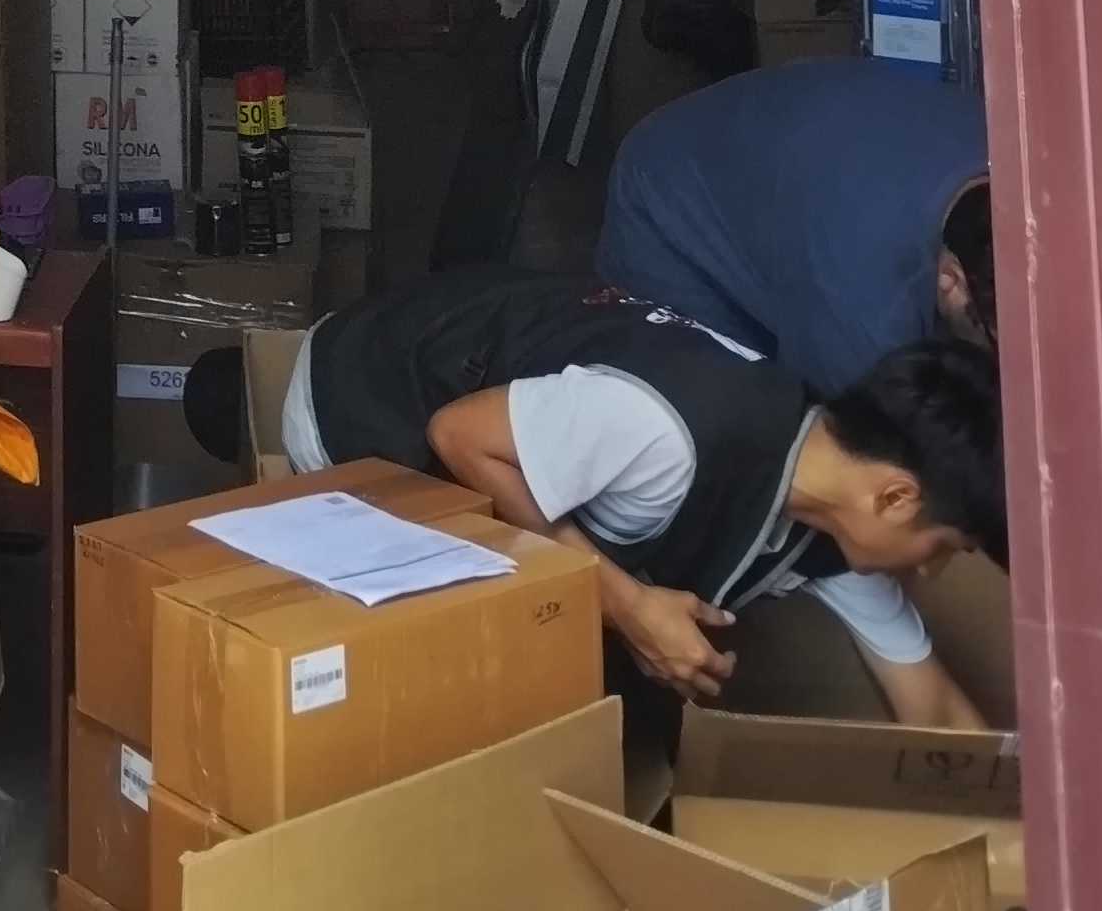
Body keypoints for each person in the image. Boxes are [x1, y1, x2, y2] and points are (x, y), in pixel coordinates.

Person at [183, 267, 1002, 728]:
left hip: (503, 375)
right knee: (449, 697)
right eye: (946, 547)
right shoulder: (671, 437)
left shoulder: (828, 525)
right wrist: (628, 605)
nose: (932, 570)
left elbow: (932, 706)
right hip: (362, 402)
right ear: (896, 497)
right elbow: (458, 437)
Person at [597, 59, 996, 394]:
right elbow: (860, 433)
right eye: (995, 344)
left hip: (791, 154)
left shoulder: (1014, 156)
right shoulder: (862, 299)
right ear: (951, 280)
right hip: (671, 200)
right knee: (723, 408)